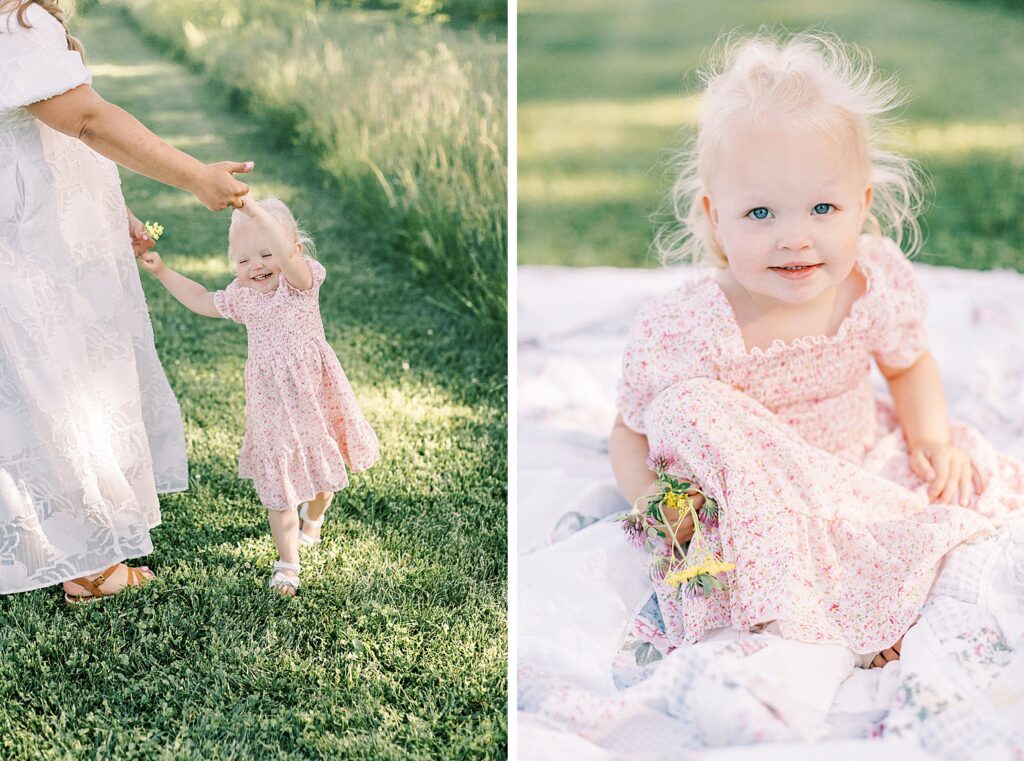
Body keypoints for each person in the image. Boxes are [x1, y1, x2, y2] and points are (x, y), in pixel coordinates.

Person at [608, 32, 1024, 668]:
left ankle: (855, 596)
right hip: (752, 498)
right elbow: (629, 430)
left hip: (852, 467)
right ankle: (801, 595)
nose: (794, 238)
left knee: (916, 515)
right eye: (760, 214)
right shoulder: (689, 327)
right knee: (683, 406)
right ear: (715, 217)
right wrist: (649, 502)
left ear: (861, 206)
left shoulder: (872, 284)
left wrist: (931, 438)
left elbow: (908, 365)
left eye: (822, 207)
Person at [0, 0, 252, 600]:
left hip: (35, 224)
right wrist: (196, 176)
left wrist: (117, 210)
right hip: (31, 240)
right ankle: (88, 564)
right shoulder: (18, 24)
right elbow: (85, 120)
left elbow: (38, 140)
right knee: (56, 379)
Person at [137, 196, 380, 595]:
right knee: (280, 481)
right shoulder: (244, 297)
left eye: (267, 254)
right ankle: (287, 563)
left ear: (292, 252)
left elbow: (287, 256)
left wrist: (253, 212)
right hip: (271, 405)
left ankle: (313, 518)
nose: (257, 267)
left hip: (315, 396)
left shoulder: (299, 284)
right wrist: (162, 271)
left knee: (324, 479)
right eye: (243, 260)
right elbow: (200, 299)